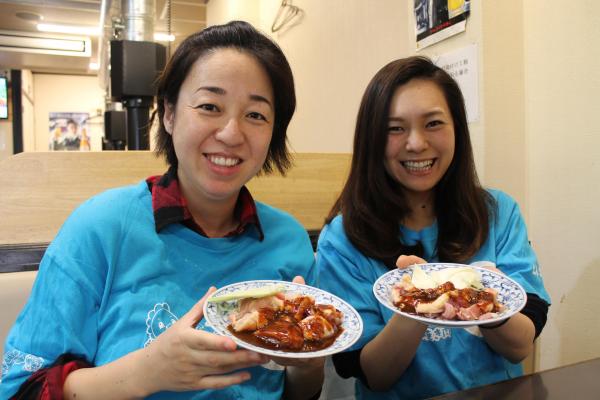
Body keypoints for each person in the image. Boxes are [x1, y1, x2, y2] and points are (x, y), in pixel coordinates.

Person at [1, 21, 324, 400]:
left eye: (256, 115)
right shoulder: (100, 227)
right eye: (209, 106)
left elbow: (299, 394)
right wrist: (146, 372)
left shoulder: (287, 242)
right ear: (169, 114)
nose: (232, 133)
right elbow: (21, 389)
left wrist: (310, 362)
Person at [316, 56, 551, 399]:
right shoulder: (343, 238)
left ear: (457, 127)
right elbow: (372, 374)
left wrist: (478, 299)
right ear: (372, 140)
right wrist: (416, 303)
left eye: (433, 123)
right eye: (394, 128)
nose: (416, 143)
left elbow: (519, 346)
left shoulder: (499, 213)